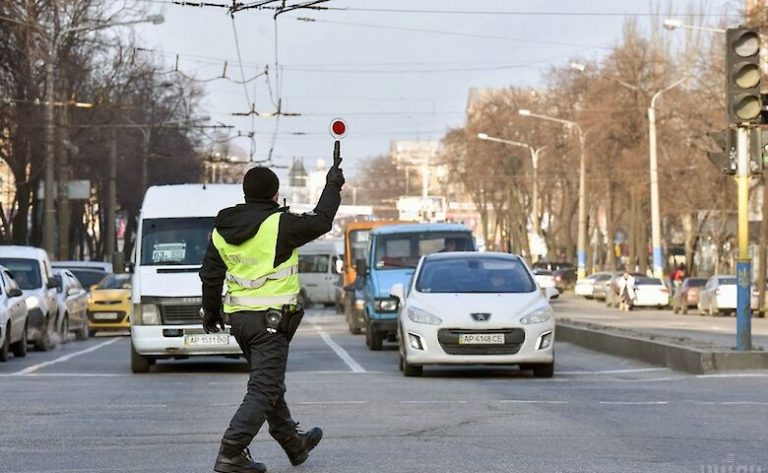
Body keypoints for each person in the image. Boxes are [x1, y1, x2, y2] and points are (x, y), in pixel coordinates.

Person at [199, 163, 344, 473]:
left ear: (245, 192)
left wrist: (210, 312)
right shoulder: (279, 224)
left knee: (268, 383)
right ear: (275, 194)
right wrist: (333, 185)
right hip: (272, 322)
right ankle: (231, 450)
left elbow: (211, 273)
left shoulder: (222, 227)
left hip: (240, 320)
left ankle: (294, 443)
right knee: (264, 389)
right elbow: (322, 221)